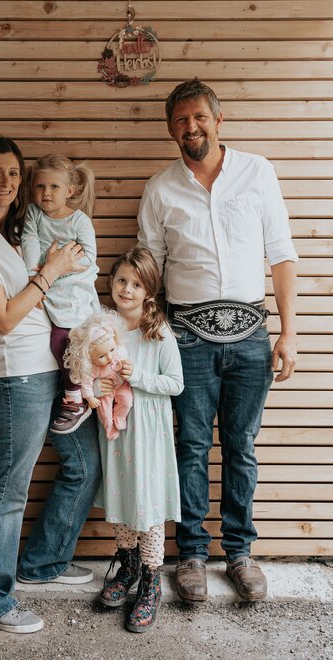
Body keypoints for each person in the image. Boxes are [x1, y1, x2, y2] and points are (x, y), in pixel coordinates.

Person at [137, 78, 298, 603]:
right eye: (181, 121)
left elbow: (281, 254)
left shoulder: (258, 172)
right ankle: (190, 556)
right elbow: (151, 268)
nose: (191, 127)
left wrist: (289, 333)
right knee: (189, 446)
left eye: (199, 117)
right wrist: (149, 336)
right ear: (170, 130)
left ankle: (240, 554)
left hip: (252, 337)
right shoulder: (160, 189)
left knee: (241, 447)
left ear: (218, 120)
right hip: (186, 338)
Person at [0, 136, 101, 634]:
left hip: (52, 365)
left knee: (84, 464)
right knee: (8, 488)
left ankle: (42, 561)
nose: (7, 182)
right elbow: (2, 318)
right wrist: (51, 272)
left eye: (14, 173)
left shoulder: (13, 231)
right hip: (17, 375)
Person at [96, 248, 184, 633]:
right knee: (123, 496)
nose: (127, 289)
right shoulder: (104, 327)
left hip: (148, 433)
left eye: (136, 284)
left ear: (149, 290)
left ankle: (151, 581)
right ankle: (128, 566)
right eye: (121, 280)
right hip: (117, 433)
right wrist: (97, 386)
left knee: (146, 503)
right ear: (111, 282)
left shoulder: (158, 331)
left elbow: (176, 384)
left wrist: (140, 377)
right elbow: (89, 369)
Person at [21, 154, 100, 434]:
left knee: (64, 341)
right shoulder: (34, 213)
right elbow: (29, 239)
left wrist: (56, 265)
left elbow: (88, 258)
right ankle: (77, 388)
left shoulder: (79, 221)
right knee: (55, 342)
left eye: (54, 187)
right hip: (47, 284)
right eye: (40, 186)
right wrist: (34, 271)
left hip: (74, 287)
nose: (46, 193)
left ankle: (75, 397)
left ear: (70, 191)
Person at [64, 309, 133, 440]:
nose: (110, 357)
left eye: (112, 349)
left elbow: (128, 363)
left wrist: (127, 367)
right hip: (105, 392)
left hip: (122, 386)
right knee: (104, 412)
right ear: (89, 357)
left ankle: (119, 417)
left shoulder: (119, 353)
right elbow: (86, 384)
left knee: (127, 401)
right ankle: (109, 427)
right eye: (102, 356)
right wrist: (90, 398)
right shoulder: (93, 368)